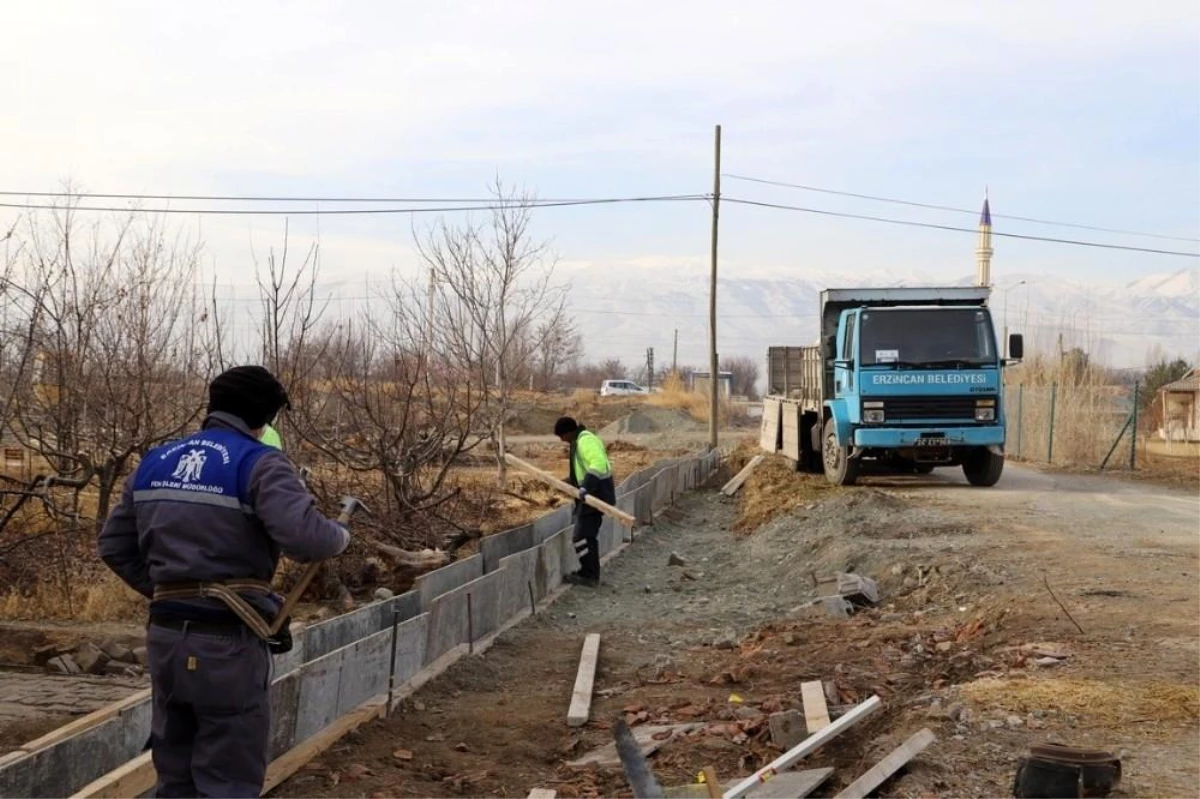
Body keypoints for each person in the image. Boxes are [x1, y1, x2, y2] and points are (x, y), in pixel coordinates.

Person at [98, 365, 350, 798]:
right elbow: (310, 540)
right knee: (228, 778)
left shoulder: (155, 462)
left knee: (174, 772)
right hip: (227, 647)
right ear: (265, 418)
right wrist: (341, 535)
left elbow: (115, 546)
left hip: (166, 639)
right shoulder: (260, 463)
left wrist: (171, 592)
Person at [554, 416, 615, 588]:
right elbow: (583, 470)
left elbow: (598, 464)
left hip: (595, 496)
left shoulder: (585, 441)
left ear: (568, 432)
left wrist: (585, 487)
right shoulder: (580, 440)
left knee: (581, 536)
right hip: (593, 495)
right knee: (587, 536)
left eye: (561, 436)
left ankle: (589, 575)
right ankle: (589, 573)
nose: (562, 440)